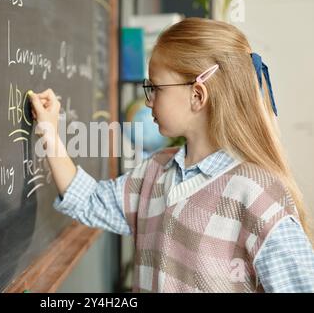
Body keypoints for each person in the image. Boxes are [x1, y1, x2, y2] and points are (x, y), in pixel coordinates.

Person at [28, 17, 314, 293]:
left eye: (155, 88)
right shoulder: (155, 172)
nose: (147, 101)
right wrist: (50, 132)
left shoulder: (257, 195)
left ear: (197, 95)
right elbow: (89, 200)